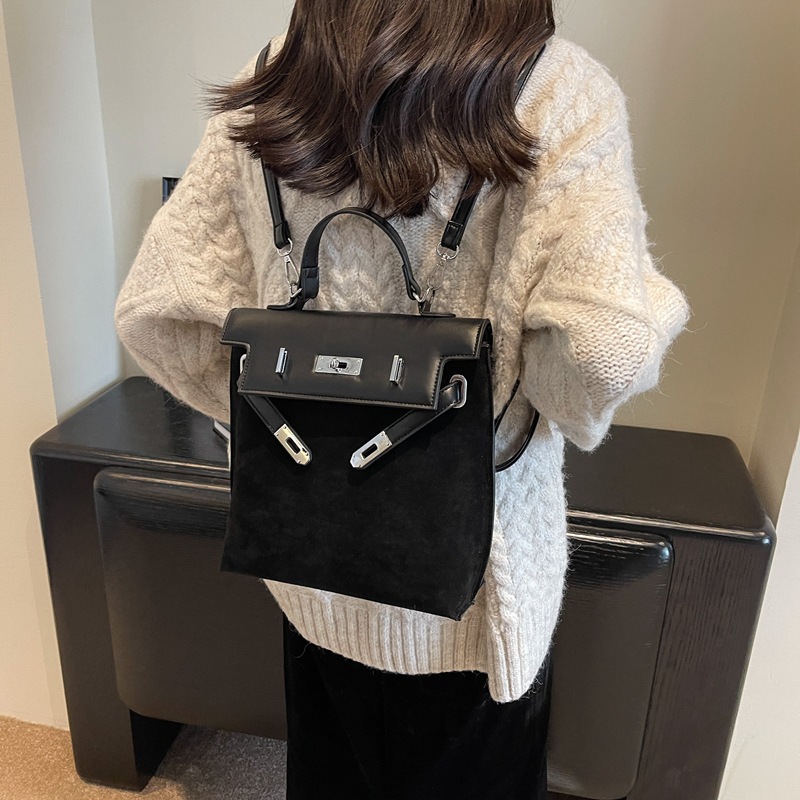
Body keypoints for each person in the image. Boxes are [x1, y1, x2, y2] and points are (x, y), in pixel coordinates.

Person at [114, 2, 691, 798]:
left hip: (310, 564)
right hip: (473, 598)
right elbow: (599, 357)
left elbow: (157, 315)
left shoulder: (281, 72)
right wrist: (651, 307)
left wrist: (284, 424)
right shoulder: (557, 88)